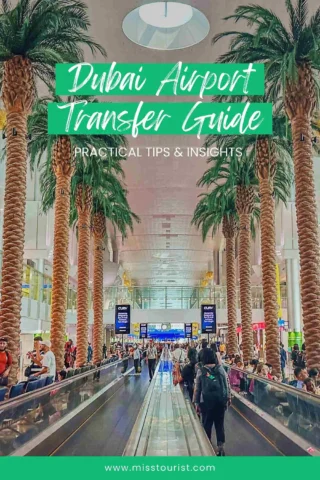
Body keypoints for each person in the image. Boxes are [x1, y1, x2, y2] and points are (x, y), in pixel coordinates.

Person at [193, 348, 231, 456]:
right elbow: (227, 384)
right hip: (220, 402)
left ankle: (207, 446)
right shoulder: (220, 369)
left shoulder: (202, 370)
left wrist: (196, 403)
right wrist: (228, 398)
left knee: (207, 424)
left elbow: (197, 388)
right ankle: (221, 447)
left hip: (206, 402)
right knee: (220, 424)